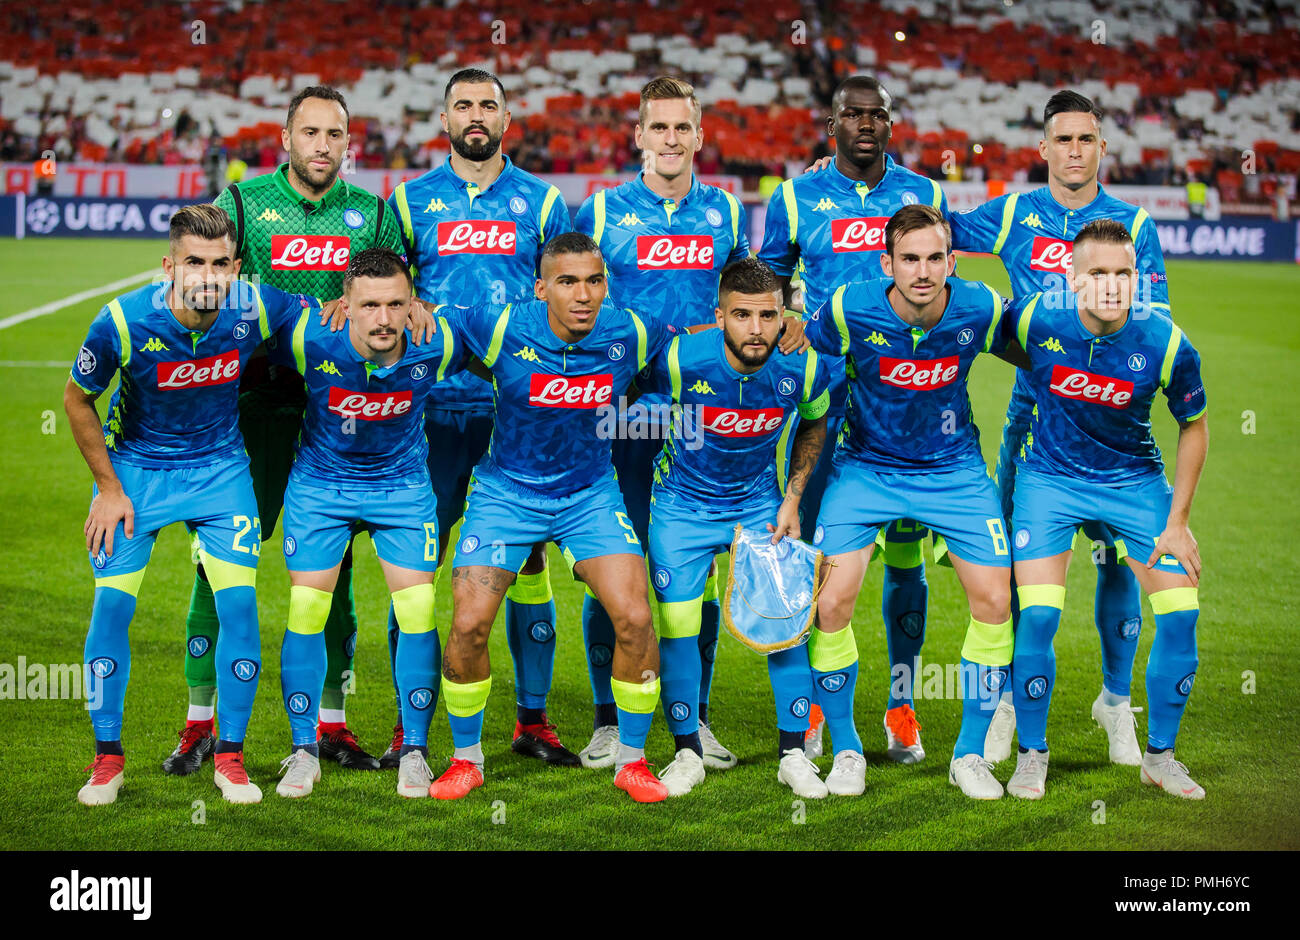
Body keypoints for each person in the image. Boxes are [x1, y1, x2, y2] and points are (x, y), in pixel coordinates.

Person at [169, 86, 409, 777]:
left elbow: (398, 295)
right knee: (217, 564)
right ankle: (199, 725)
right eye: (311, 132)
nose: (323, 146)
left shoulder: (372, 213)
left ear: (347, 142)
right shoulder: (242, 205)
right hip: (245, 409)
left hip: (337, 413)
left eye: (335, 134)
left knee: (335, 568)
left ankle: (333, 723)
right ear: (286, 137)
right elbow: (201, 287)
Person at [949, 90, 1173, 766]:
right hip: (1033, 423)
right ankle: (1013, 701)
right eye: (1064, 139)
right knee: (1025, 573)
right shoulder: (1016, 212)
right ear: (1042, 149)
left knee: (1119, 566)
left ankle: (1114, 701)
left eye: (1087, 139)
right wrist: (852, 189)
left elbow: (1155, 320)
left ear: (1101, 148)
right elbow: (936, 232)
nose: (1075, 150)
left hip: (1112, 430)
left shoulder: (1134, 224)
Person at [67, 204, 310, 805]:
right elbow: (76, 401)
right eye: (194, 263)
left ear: (236, 267)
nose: (208, 275)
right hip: (139, 476)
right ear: (168, 265)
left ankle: (229, 757)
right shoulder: (121, 321)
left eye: (221, 263)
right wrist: (108, 488)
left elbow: (326, 321)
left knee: (241, 611)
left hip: (221, 471)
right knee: (111, 614)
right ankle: (107, 761)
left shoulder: (253, 306)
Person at [428, 233, 673, 803]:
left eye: (593, 281)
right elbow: (435, 322)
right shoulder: (499, 326)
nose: (582, 294)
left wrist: (647, 409)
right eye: (567, 282)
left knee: (635, 617)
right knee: (467, 625)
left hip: (589, 494)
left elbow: (684, 367)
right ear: (541, 288)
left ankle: (632, 760)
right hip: (505, 494)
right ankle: (466, 759)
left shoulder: (632, 332)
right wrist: (409, 306)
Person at [388, 69, 576, 767]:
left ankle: (533, 721)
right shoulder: (408, 203)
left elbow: (568, 297)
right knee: (416, 571)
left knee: (527, 564)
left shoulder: (545, 201)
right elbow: (384, 293)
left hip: (517, 420)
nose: (476, 115)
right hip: (426, 418)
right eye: (463, 104)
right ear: (444, 118)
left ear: (507, 118)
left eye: (487, 105)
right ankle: (412, 733)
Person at [760, 75, 949, 764]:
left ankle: (901, 705)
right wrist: (786, 318)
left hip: (907, 400)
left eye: (877, 115)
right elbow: (767, 278)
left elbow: (946, 286)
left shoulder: (926, 194)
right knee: (812, 556)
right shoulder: (795, 195)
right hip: (823, 402)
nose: (865, 125)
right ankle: (814, 703)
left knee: (904, 560)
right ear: (832, 122)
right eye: (853, 115)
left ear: (890, 124)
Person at [573, 75, 757, 771]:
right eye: (660, 127)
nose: (671, 139)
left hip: (701, 417)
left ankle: (696, 717)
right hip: (620, 415)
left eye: (684, 128)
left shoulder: (726, 214)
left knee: (693, 574)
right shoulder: (601, 211)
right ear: (640, 135)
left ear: (699, 137)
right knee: (612, 567)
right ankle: (605, 719)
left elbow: (744, 303)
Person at [804, 205, 1018, 799]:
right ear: (887, 263)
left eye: (933, 258)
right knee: (832, 602)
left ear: (952, 262)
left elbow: (1042, 354)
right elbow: (799, 351)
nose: (922, 271)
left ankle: (969, 755)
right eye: (909, 259)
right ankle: (846, 748)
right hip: (865, 470)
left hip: (953, 470)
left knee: (996, 600)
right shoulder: (850, 307)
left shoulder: (980, 307)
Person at [1002, 219, 1207, 800]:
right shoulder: (1037, 317)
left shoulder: (1165, 342)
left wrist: (1179, 520)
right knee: (1038, 615)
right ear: (1073, 277)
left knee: (1181, 611)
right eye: (1098, 274)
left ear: (1137, 278)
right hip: (1050, 481)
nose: (1112, 286)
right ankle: (1031, 754)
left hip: (1134, 483)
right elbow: (969, 326)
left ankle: (1160, 757)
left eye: (1124, 274)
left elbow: (1193, 425)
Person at [271, 248, 463, 800]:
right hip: (320, 487)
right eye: (370, 305)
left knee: (419, 609)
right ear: (345, 306)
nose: (383, 319)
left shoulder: (438, 341)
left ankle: (415, 751)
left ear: (413, 305)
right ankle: (304, 749)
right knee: (307, 609)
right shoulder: (309, 335)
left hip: (401, 488)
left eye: (396, 304)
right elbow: (241, 313)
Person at [644, 257, 831, 797]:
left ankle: (793, 755)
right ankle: (686, 753)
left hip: (758, 507)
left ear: (784, 315)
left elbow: (815, 418)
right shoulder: (680, 360)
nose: (755, 329)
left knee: (786, 626)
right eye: (742, 315)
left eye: (768, 315)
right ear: (719, 314)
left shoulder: (806, 367)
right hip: (680, 508)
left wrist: (793, 496)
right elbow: (630, 400)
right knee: (678, 628)